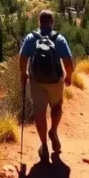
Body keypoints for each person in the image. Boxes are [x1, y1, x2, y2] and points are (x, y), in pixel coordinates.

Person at [19, 9, 74, 161]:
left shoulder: (31, 38)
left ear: (39, 22)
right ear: (52, 22)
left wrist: (23, 75)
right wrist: (69, 76)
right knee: (56, 107)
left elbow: (23, 58)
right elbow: (69, 63)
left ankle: (44, 146)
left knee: (39, 112)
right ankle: (54, 131)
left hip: (36, 81)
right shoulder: (59, 38)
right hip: (56, 81)